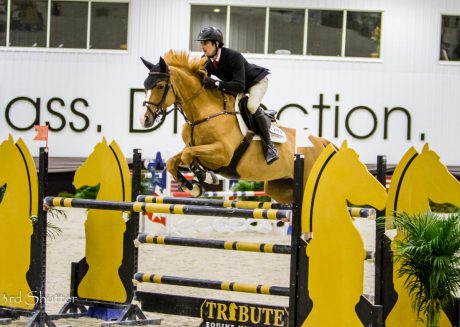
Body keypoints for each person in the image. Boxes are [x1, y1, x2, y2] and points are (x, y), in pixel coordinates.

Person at [195, 26, 279, 165]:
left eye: (205, 43)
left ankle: (269, 147)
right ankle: (264, 116)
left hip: (256, 82)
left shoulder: (233, 56)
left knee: (251, 106)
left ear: (216, 44)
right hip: (236, 86)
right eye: (201, 43)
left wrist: (216, 83)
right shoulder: (206, 61)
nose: (202, 46)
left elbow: (240, 86)